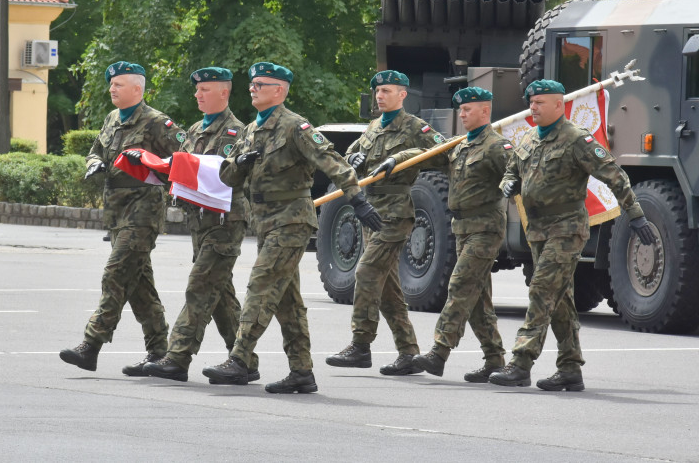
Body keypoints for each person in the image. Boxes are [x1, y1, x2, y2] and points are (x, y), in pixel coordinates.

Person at [201, 62, 383, 394]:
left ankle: (240, 358)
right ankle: (301, 371)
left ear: (279, 90)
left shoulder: (294, 126)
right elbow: (227, 178)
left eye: (260, 84)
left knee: (261, 283)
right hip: (265, 221)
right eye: (252, 83)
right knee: (287, 301)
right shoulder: (250, 130)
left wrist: (357, 199)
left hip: (292, 218)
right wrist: (237, 164)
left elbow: (332, 160)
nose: (252, 88)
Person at [489, 79, 655, 391]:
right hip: (537, 231)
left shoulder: (576, 139)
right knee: (560, 299)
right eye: (531, 102)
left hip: (566, 229)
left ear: (558, 104)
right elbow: (511, 172)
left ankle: (521, 363)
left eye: (540, 103)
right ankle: (570, 368)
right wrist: (508, 185)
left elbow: (614, 175)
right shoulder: (527, 139)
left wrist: (635, 215)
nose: (533, 108)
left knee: (541, 291)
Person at [131, 67, 259, 382]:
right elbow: (184, 173)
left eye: (205, 90)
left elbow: (225, 176)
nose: (198, 95)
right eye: (197, 90)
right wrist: (152, 165)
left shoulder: (237, 134)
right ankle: (245, 360)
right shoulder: (194, 130)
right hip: (199, 222)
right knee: (220, 295)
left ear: (224, 93)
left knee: (199, 286)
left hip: (225, 221)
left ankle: (176, 358)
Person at [59, 62, 185, 375]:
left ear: (137, 89)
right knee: (140, 287)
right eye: (111, 84)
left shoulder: (158, 123)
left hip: (143, 211)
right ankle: (160, 354)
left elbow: (186, 156)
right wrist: (94, 164)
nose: (112, 89)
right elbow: (96, 150)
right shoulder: (112, 118)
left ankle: (90, 346)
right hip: (116, 211)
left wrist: (152, 162)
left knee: (114, 275)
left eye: (118, 84)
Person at [382, 87, 512, 382]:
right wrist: (398, 158)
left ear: (485, 111)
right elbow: (427, 154)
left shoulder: (496, 146)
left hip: (486, 228)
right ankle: (494, 358)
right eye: (461, 110)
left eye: (468, 109)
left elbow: (516, 173)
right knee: (476, 298)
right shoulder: (460, 145)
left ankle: (439, 352)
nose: (462, 115)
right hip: (462, 228)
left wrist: (511, 183)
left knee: (460, 285)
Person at [326, 70, 444, 376]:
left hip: (395, 213)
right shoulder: (374, 126)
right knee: (388, 289)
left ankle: (360, 345)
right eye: (377, 91)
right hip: (370, 210)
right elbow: (355, 152)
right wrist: (351, 158)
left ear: (402, 95)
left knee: (366, 271)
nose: (380, 96)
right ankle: (408, 353)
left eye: (387, 91)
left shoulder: (415, 126)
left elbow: (445, 151)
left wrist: (404, 156)